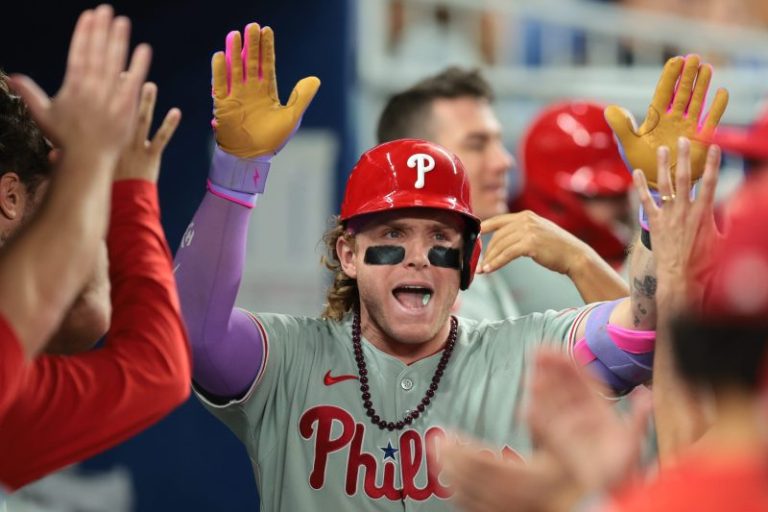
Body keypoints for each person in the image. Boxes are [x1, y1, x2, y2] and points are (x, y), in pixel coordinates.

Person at [172, 24, 703, 512]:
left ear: (469, 261)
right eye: (393, 235)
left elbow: (644, 330)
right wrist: (236, 175)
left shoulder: (531, 354)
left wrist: (663, 194)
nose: (418, 256)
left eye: (441, 238)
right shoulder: (289, 360)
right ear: (348, 255)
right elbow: (193, 334)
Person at [0, 5, 191, 491]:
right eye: (60, 215)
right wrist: (91, 166)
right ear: (9, 199)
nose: (86, 246)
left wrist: (122, 189)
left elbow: (156, 369)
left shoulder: (15, 393)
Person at [376, 67, 629, 319]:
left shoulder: (471, 255)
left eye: (498, 142)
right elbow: (631, 337)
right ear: (417, 162)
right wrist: (579, 260)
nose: (504, 161)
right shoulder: (411, 282)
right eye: (477, 144)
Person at [512, 101, 635, 269]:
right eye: (608, 196)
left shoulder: (623, 253)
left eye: (624, 193)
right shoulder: (519, 267)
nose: (626, 206)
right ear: (557, 203)